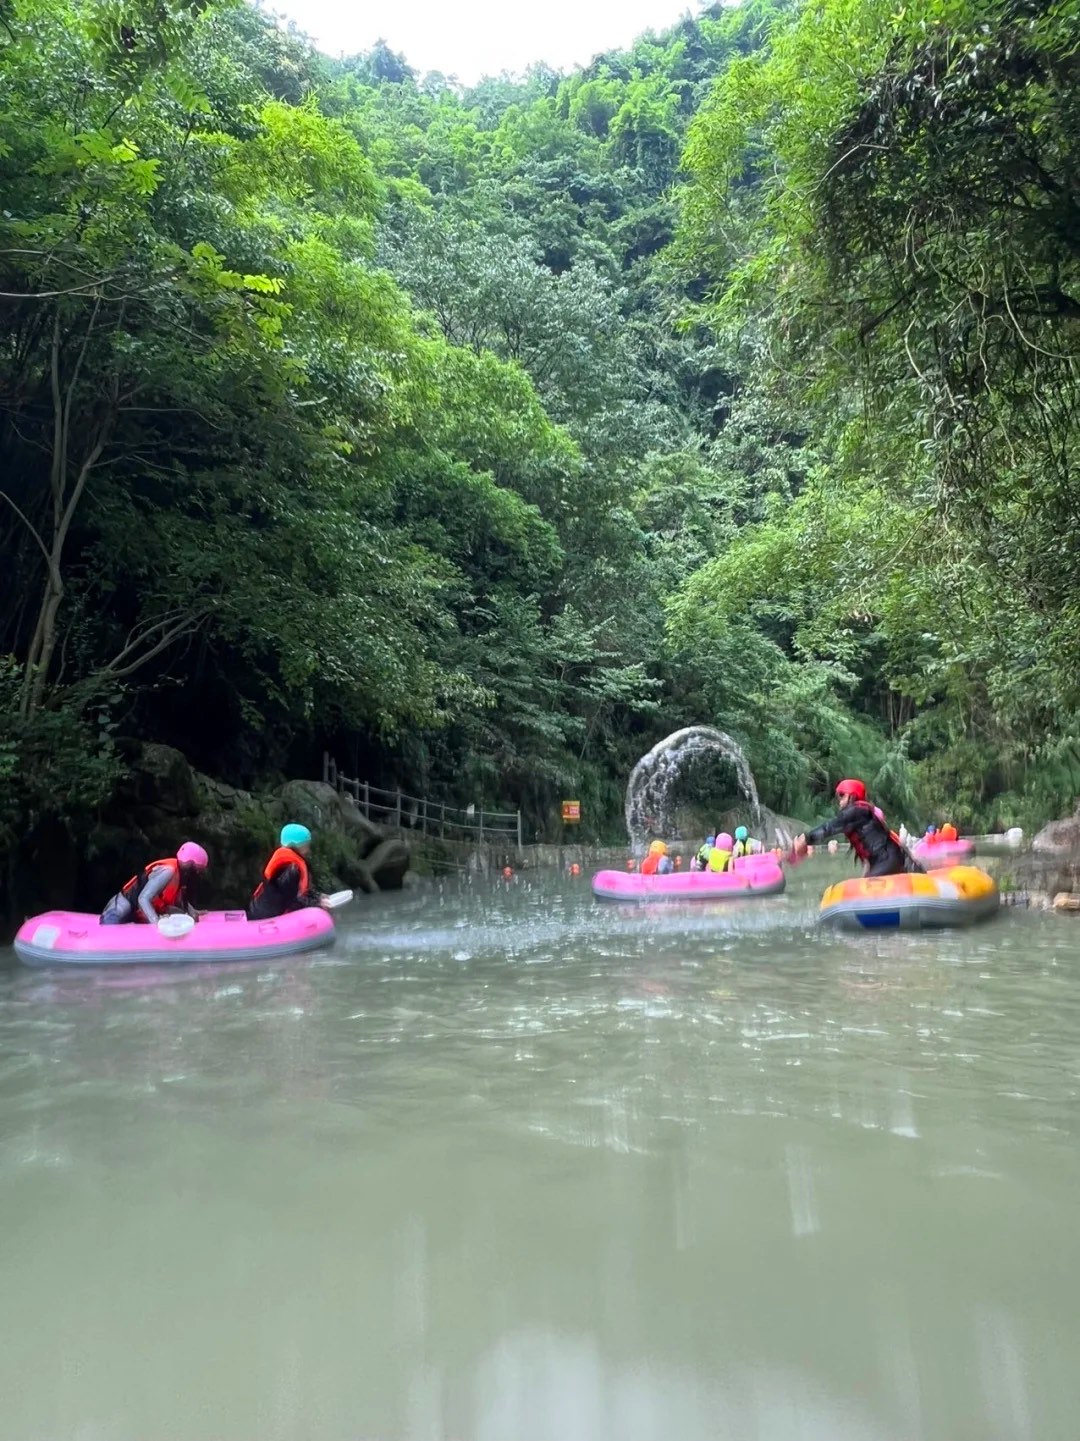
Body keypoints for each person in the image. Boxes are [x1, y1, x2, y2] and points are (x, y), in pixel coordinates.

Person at [794, 779, 918, 878]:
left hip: (888, 860)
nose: (839, 801)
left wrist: (806, 838)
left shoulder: (856, 811)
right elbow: (868, 858)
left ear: (852, 796)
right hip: (888, 859)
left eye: (842, 795)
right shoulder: (862, 814)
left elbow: (829, 828)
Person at [100, 842, 209, 925]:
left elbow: (179, 900)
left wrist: (193, 911)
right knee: (117, 917)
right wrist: (156, 923)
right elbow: (143, 899)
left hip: (141, 912)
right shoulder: (168, 871)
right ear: (190, 864)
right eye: (198, 869)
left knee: (176, 912)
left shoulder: (180, 876)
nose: (198, 873)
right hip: (125, 903)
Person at [248, 823, 327, 920]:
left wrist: (318, 897)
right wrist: (316, 904)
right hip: (266, 917)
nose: (309, 851)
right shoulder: (290, 869)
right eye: (306, 846)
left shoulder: (292, 865)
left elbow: (298, 892)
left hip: (264, 910)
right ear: (295, 846)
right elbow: (290, 900)